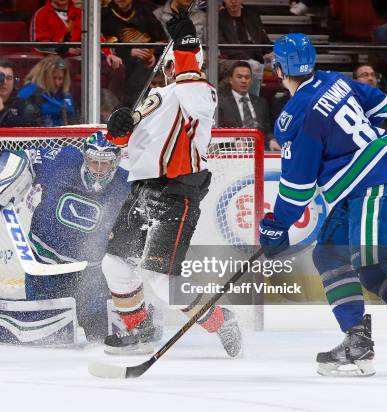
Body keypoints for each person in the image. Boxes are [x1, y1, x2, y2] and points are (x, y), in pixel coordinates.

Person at [259, 33, 387, 377]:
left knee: (378, 271)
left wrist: (277, 225)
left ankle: (358, 342)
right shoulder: (334, 78)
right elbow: (379, 105)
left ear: (279, 68)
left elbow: (298, 189)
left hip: (373, 188)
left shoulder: (294, 117)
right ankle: (356, 341)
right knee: (328, 254)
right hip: (367, 186)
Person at [101, 11, 242, 357]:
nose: (167, 70)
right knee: (115, 264)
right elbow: (131, 155)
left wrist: (187, 41)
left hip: (177, 192)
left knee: (162, 282)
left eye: (173, 64)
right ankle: (138, 328)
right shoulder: (156, 98)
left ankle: (221, 319)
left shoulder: (198, 93)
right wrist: (118, 135)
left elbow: (191, 83)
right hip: (143, 190)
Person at [0, 132, 132, 342]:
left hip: (91, 274)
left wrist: (123, 236)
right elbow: (24, 157)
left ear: (116, 161)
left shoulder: (125, 184)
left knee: (100, 335)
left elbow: (139, 223)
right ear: (84, 157)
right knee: (48, 336)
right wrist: (0, 183)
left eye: (105, 164)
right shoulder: (63, 161)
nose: (98, 170)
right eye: (93, 162)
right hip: (45, 267)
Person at [102, 0, 168, 106]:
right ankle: (130, 107)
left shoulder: (144, 12)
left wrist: (153, 55)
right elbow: (101, 46)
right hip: (122, 63)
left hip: (148, 62)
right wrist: (128, 52)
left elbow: (163, 41)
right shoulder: (104, 16)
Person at [218, 60, 279, 151]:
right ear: (230, 80)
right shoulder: (221, 103)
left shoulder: (261, 103)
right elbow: (218, 132)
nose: (244, 81)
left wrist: (271, 140)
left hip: (261, 151)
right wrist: (233, 142)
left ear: (251, 80)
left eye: (247, 77)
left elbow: (267, 130)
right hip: (234, 153)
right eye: (239, 77)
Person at [218, 0, 272, 96]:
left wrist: (271, 52)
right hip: (233, 59)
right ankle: (253, 101)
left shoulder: (252, 15)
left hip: (257, 59)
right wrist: (248, 60)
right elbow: (224, 46)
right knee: (251, 68)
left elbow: (264, 41)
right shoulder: (219, 17)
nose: (233, 1)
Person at [15, 56, 77, 126]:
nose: (57, 83)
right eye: (53, 78)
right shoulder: (29, 93)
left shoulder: (66, 96)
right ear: (43, 76)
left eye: (60, 79)